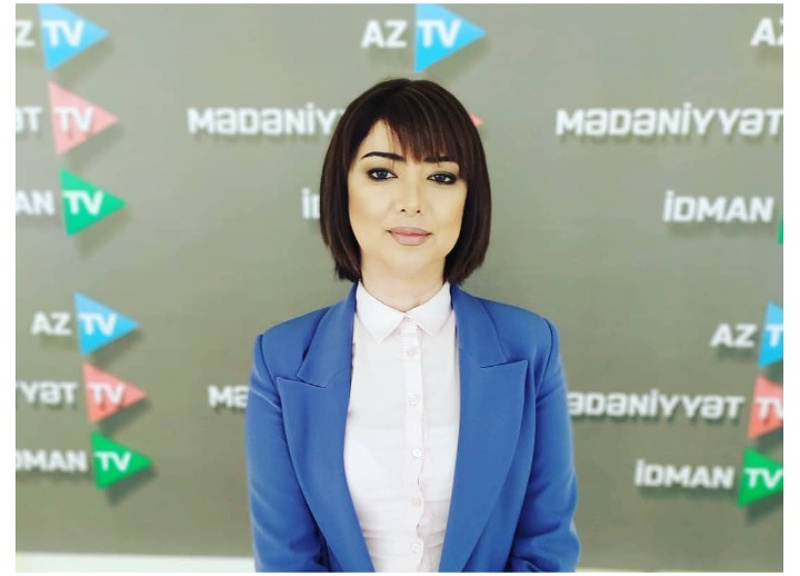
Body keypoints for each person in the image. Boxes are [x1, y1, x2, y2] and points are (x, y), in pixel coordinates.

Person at [244, 78, 580, 572]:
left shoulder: (529, 347)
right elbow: (285, 561)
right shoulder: (282, 359)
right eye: (382, 173)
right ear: (342, 190)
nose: (412, 201)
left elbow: (545, 549)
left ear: (469, 199)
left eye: (441, 177)